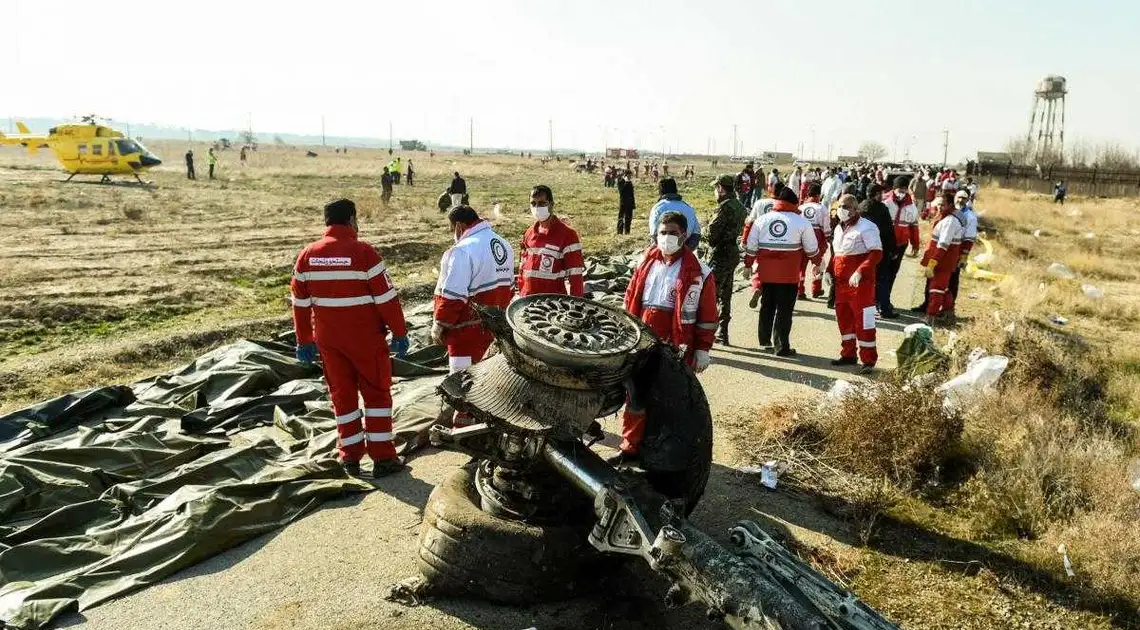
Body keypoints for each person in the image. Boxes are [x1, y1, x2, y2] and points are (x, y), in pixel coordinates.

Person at [290, 199, 410, 478]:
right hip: (366, 339)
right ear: (352, 220)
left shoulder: (307, 255)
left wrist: (304, 339)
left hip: (329, 342)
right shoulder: (364, 253)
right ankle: (383, 459)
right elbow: (387, 299)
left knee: (342, 398)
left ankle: (350, 459)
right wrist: (400, 333)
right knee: (377, 395)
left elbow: (299, 302)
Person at [614, 211, 716, 464]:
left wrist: (703, 348)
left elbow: (707, 315)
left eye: (673, 233)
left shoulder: (700, 273)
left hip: (676, 345)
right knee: (636, 396)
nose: (667, 237)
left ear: (684, 236)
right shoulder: (644, 263)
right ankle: (630, 448)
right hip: (642, 338)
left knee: (670, 399)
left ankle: (663, 454)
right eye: (663, 232)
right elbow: (630, 299)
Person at [432, 205, 515, 397]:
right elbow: (510, 287)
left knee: (464, 389)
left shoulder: (462, 251)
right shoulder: (502, 244)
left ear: (459, 227)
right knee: (492, 386)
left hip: (466, 334)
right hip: (496, 329)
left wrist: (439, 324)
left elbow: (452, 296)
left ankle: (463, 424)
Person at [742, 186, 821, 357]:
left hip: (766, 274)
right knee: (784, 311)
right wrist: (817, 263)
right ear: (794, 203)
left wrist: (748, 265)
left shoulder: (762, 220)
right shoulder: (801, 222)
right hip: (789, 275)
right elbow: (811, 248)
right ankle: (781, 346)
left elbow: (751, 246)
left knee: (767, 307)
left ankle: (764, 341)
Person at [829, 194, 882, 373]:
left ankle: (868, 360)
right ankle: (848, 354)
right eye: (840, 206)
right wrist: (828, 271)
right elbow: (837, 253)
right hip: (841, 285)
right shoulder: (838, 228)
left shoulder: (867, 227)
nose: (842, 210)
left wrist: (860, 271)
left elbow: (876, 253)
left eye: (846, 207)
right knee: (844, 321)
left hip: (862, 285)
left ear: (855, 209)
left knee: (864, 322)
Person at [517, 185, 585, 297]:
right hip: (527, 301)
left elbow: (576, 277)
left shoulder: (568, 235)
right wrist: (520, 295)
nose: (537, 207)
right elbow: (522, 269)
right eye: (533, 204)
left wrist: (576, 305)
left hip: (552, 305)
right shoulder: (529, 233)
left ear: (551, 204)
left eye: (542, 203)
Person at [707, 174, 748, 345]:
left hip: (719, 254)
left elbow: (711, 235)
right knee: (726, 296)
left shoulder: (723, 208)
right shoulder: (740, 206)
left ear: (720, 188)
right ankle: (723, 333)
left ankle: (707, 334)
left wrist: (704, 231)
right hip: (732, 252)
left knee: (710, 296)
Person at [920, 192, 967, 324]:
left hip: (942, 262)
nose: (939, 207)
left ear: (950, 205)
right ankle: (949, 313)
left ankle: (930, 317)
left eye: (943, 205)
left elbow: (943, 246)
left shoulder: (949, 221)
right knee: (944, 289)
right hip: (943, 261)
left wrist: (932, 263)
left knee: (936, 289)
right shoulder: (945, 218)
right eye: (938, 204)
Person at [877, 176, 919, 318]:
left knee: (892, 274)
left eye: (904, 189)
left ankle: (885, 300)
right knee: (881, 274)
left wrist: (915, 243)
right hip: (884, 244)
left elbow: (914, 226)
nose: (902, 192)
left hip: (901, 245)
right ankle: (878, 302)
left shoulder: (911, 205)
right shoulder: (885, 201)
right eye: (899, 189)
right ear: (894, 188)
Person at [859, 184, 898, 316]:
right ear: (876, 194)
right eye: (880, 193)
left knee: (864, 278)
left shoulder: (860, 206)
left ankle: (865, 306)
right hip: (880, 249)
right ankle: (884, 308)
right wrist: (893, 249)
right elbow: (888, 231)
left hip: (862, 249)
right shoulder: (882, 208)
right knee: (882, 279)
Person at [648, 177, 701, 250]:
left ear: (660, 191)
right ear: (675, 190)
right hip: (685, 249)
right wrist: (685, 252)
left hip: (663, 250)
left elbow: (654, 235)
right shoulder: (688, 208)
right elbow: (696, 234)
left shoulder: (657, 208)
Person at [799, 183, 831, 299]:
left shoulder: (801, 208)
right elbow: (826, 227)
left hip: (801, 240)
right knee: (817, 264)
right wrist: (828, 238)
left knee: (800, 266)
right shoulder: (822, 208)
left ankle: (799, 290)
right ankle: (816, 290)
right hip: (817, 240)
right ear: (818, 195)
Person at [617, 170, 636, 234]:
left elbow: (632, 194)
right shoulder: (621, 181)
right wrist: (626, 183)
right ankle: (620, 232)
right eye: (629, 175)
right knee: (621, 217)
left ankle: (627, 232)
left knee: (628, 218)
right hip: (623, 203)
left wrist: (633, 204)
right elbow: (621, 191)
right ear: (626, 174)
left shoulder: (630, 182)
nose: (630, 176)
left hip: (630, 204)